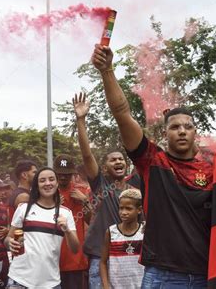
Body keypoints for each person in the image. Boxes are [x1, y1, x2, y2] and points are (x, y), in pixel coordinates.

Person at [91, 44, 216, 287]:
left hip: (208, 274)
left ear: (196, 132)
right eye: (174, 127)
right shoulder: (152, 161)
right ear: (165, 132)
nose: (181, 131)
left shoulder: (213, 167)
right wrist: (107, 71)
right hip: (163, 276)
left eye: (187, 126)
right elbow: (122, 113)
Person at [73, 92, 138, 289]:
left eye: (121, 159)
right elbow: (86, 154)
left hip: (129, 255)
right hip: (100, 255)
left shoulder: (136, 187)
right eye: (113, 159)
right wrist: (81, 120)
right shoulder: (101, 185)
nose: (118, 161)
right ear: (105, 167)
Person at [5, 167, 79, 288]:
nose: (47, 183)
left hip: (51, 283)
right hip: (19, 281)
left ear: (56, 183)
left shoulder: (66, 213)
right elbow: (7, 240)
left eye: (51, 179)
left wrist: (67, 230)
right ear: (37, 185)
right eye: (42, 180)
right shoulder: (23, 208)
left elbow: (75, 249)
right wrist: (10, 243)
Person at [53, 154, 90, 288]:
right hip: (52, 258)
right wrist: (53, 206)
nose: (63, 177)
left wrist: (85, 201)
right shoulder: (48, 192)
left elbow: (91, 221)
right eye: (60, 174)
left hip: (75, 258)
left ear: (73, 174)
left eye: (67, 174)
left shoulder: (81, 190)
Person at [100, 189, 144, 288]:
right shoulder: (111, 232)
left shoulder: (144, 233)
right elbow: (103, 262)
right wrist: (106, 286)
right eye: (121, 208)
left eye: (128, 208)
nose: (123, 212)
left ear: (139, 210)